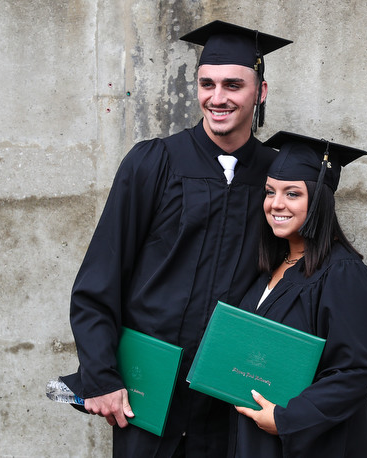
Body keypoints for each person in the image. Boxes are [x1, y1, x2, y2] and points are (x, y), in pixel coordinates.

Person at [60, 21, 291, 457]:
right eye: (207, 83)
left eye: (233, 85)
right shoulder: (155, 163)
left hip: (229, 397)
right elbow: (99, 279)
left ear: (260, 92)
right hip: (147, 390)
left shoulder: (277, 178)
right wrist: (102, 375)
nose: (216, 98)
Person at [230, 131, 367, 457]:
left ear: (319, 199)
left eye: (292, 194)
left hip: (310, 442)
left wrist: (287, 419)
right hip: (258, 437)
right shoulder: (270, 267)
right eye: (270, 192)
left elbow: (355, 371)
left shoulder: (343, 273)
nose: (276, 204)